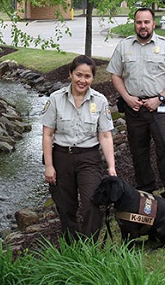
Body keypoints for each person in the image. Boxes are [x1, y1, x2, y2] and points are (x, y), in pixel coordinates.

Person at [107, 7, 165, 212]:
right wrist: (127, 97)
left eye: (146, 22)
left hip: (159, 108)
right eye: (139, 22)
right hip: (134, 108)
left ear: (153, 23)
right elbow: (115, 75)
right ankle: (146, 193)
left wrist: (160, 98)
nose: (142, 26)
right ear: (134, 24)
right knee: (138, 151)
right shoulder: (124, 46)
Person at [41, 55, 116, 241]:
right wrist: (49, 165)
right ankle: (73, 246)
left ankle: (88, 246)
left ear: (92, 78)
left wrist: (111, 167)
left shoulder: (100, 101)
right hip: (61, 156)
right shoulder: (55, 99)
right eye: (78, 75)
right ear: (70, 74)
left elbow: (105, 135)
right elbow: (47, 134)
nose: (82, 80)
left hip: (89, 158)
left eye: (87, 76)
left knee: (93, 203)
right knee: (66, 207)